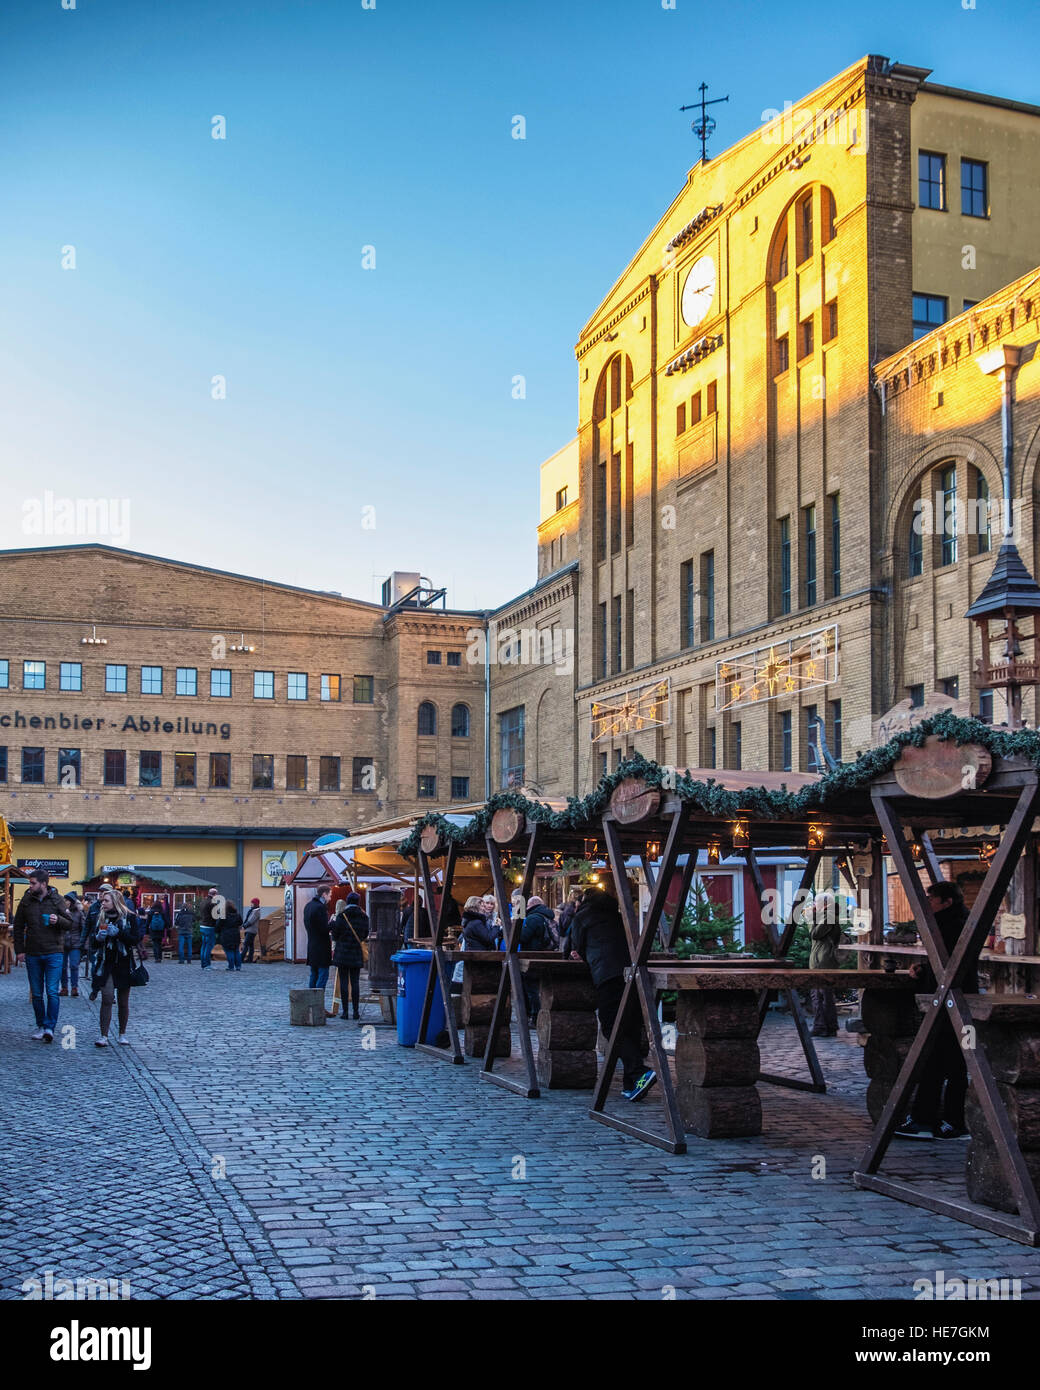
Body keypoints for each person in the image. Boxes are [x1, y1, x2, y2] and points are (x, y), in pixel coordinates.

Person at [895, 880, 975, 1141]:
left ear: (947, 902)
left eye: (932, 899)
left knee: (950, 1062)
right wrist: (924, 969)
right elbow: (940, 962)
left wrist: (927, 971)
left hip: (953, 999)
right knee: (937, 1061)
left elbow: (951, 962)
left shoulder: (953, 925)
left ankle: (949, 1122)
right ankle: (929, 1119)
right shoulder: (949, 923)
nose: (928, 903)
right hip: (944, 997)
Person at [570, 886, 656, 1102]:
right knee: (631, 1025)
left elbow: (576, 947)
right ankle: (632, 1083)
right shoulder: (618, 916)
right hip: (631, 973)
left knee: (611, 1025)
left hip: (607, 974)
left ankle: (638, 1072)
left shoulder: (582, 917)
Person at [13, 868, 74, 1042]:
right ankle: (41, 1025)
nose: (30, 886)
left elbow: (70, 923)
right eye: (30, 883)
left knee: (52, 992)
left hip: (54, 952)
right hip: (32, 952)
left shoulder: (57, 900)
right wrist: (20, 950)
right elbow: (17, 927)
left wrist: (58, 921)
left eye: (33, 883)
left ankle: (49, 1027)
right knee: (37, 993)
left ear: (43, 884)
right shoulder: (26, 901)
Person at [85, 887, 142, 1047]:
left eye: (106, 900)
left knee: (123, 1001)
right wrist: (98, 937)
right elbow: (94, 943)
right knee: (107, 998)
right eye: (102, 900)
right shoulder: (100, 917)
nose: (102, 903)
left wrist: (118, 933)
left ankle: (122, 1034)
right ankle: (103, 1036)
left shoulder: (129, 918)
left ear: (115, 902)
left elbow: (135, 939)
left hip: (124, 962)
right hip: (106, 962)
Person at [807, 890, 843, 1037]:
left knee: (820, 995)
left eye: (816, 902)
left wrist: (810, 917)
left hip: (823, 961)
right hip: (821, 959)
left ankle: (822, 1026)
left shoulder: (828, 917)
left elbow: (814, 934)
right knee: (823, 995)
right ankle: (828, 1026)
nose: (814, 905)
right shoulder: (827, 916)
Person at [331, 892, 369, 1020]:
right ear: (358, 902)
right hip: (356, 952)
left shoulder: (342, 916)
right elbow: (364, 935)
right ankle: (356, 1012)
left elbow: (335, 936)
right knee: (355, 982)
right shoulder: (364, 917)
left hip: (342, 952)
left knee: (343, 982)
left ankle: (345, 1012)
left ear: (347, 901)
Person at [519, 895, 555, 1024]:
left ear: (532, 905)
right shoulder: (547, 916)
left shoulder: (533, 918)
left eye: (527, 905)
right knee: (538, 987)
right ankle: (539, 1015)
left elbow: (523, 937)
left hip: (531, 955)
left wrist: (516, 929)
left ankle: (535, 1017)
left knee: (531, 988)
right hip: (544, 954)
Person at [304, 886, 332, 991]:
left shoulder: (308, 906)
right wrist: (332, 924)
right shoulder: (320, 907)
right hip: (322, 947)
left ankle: (311, 1002)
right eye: (330, 895)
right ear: (324, 894)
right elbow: (324, 928)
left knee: (313, 974)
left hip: (312, 945)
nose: (330, 898)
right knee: (323, 974)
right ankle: (318, 1003)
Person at [60, 892, 86, 998]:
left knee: (74, 966)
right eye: (64, 900)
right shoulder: (61, 912)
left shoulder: (79, 914)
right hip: (62, 943)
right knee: (62, 967)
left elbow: (83, 928)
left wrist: (82, 942)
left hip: (75, 943)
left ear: (71, 902)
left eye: (67, 900)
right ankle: (64, 988)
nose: (65, 902)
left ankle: (74, 987)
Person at [559, 887, 583, 957]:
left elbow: (561, 930)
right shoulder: (581, 912)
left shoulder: (565, 910)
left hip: (566, 941)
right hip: (576, 943)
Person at [199, 887, 220, 969]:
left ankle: (203, 964)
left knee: (203, 945)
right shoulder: (212, 903)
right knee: (208, 946)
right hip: (209, 927)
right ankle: (207, 965)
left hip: (202, 926)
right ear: (215, 894)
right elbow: (216, 916)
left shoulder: (203, 902)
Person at [221, 900, 244, 971]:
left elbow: (218, 925)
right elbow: (241, 923)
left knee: (229, 951)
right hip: (236, 934)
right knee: (236, 951)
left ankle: (231, 966)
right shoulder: (237, 915)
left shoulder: (223, 915)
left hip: (226, 935)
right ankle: (238, 966)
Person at [241, 898, 262, 963]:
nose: (251, 904)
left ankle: (241, 958)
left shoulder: (256, 911)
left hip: (251, 930)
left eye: (252, 903)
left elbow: (251, 921)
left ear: (255, 904)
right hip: (251, 930)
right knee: (250, 945)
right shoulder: (253, 910)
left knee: (246, 944)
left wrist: (244, 926)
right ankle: (250, 959)